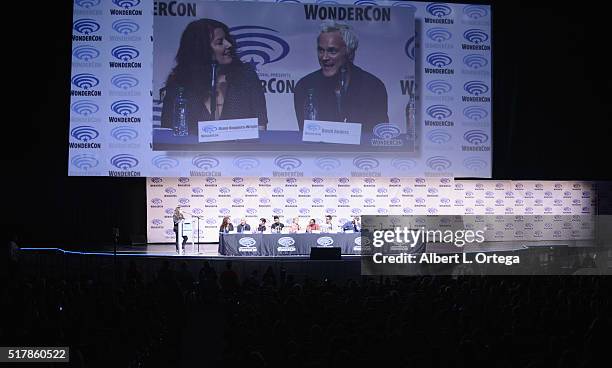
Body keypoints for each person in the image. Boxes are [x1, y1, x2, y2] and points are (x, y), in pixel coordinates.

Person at [160, 18, 268, 135]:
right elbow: (168, 131)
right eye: (220, 42)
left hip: (240, 152)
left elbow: (260, 126)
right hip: (192, 153)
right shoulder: (180, 84)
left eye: (227, 39)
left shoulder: (246, 76)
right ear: (201, 49)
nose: (229, 44)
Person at [293, 20, 388, 133]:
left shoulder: (373, 87)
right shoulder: (305, 86)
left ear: (350, 53)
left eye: (332, 51)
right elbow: (308, 136)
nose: (324, 57)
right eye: (321, 50)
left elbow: (378, 139)